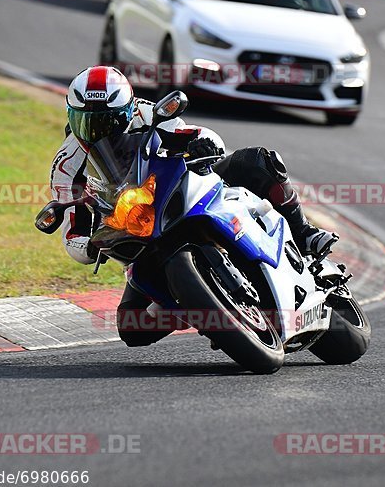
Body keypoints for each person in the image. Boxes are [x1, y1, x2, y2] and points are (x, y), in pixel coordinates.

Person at [50, 66, 337, 347]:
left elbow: (198, 133)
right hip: (138, 227)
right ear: (70, 114)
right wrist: (88, 246)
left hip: (180, 193)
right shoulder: (66, 165)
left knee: (258, 161)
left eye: (106, 121)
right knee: (132, 326)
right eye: (84, 120)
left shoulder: (149, 113)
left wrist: (203, 145)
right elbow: (70, 233)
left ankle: (305, 233)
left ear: (127, 110)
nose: (95, 131)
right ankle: (201, 308)